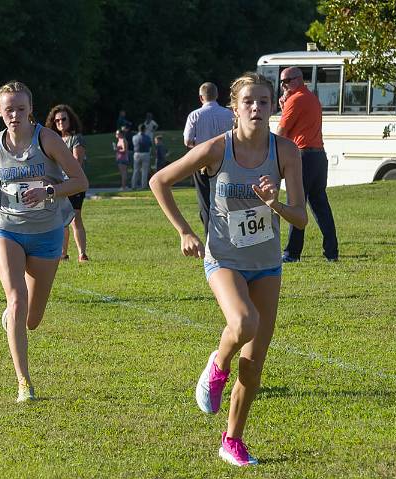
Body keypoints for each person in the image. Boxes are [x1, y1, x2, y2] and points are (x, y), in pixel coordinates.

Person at [150, 72, 307, 467]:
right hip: (223, 257)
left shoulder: (286, 152)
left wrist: (274, 202)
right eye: (249, 102)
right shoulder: (217, 149)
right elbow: (160, 181)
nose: (257, 108)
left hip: (267, 263)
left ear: (274, 107)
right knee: (242, 322)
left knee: (253, 368)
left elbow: (301, 219)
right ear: (234, 108)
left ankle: (232, 441)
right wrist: (184, 230)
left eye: (264, 102)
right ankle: (216, 366)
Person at [0, 81, 88, 402]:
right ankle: (24, 383)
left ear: (31, 109)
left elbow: (80, 181)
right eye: (9, 110)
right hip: (7, 229)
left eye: (21, 109)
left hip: (47, 234)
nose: (15, 115)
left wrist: (49, 190)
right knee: (17, 298)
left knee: (31, 320)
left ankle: (13, 319)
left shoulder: (47, 140)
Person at [276, 67, 339, 262]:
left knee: (296, 205)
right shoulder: (311, 97)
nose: (283, 85)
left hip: (303, 157)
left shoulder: (296, 100)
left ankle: (292, 253)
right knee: (321, 206)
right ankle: (331, 252)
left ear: (298, 80)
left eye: (286, 81)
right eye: (282, 82)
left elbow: (281, 132)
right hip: (319, 156)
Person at [183, 82, 236, 235]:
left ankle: (210, 236)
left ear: (201, 97)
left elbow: (187, 140)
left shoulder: (194, 115)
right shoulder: (229, 114)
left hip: (202, 161)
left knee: (205, 201)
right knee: (226, 199)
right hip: (225, 160)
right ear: (217, 95)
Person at [45, 104, 89, 262]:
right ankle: (62, 253)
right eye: (57, 120)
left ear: (70, 120)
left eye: (64, 119)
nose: (60, 122)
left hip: (73, 183)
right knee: (61, 219)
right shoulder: (52, 140)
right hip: (58, 184)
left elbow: (77, 162)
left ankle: (82, 253)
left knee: (75, 218)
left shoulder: (76, 139)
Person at [131, 123, 153, 189]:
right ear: (144, 129)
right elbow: (150, 145)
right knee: (144, 171)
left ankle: (133, 186)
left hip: (137, 154)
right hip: (145, 153)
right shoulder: (147, 137)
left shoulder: (134, 137)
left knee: (136, 170)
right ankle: (143, 186)